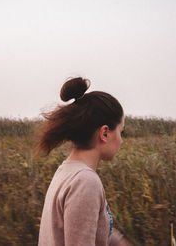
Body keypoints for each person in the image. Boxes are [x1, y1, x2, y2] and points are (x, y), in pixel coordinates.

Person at [37, 77, 130, 246]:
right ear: (105, 133)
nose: (121, 141)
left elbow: (87, 228)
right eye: (121, 131)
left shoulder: (66, 171)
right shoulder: (85, 182)